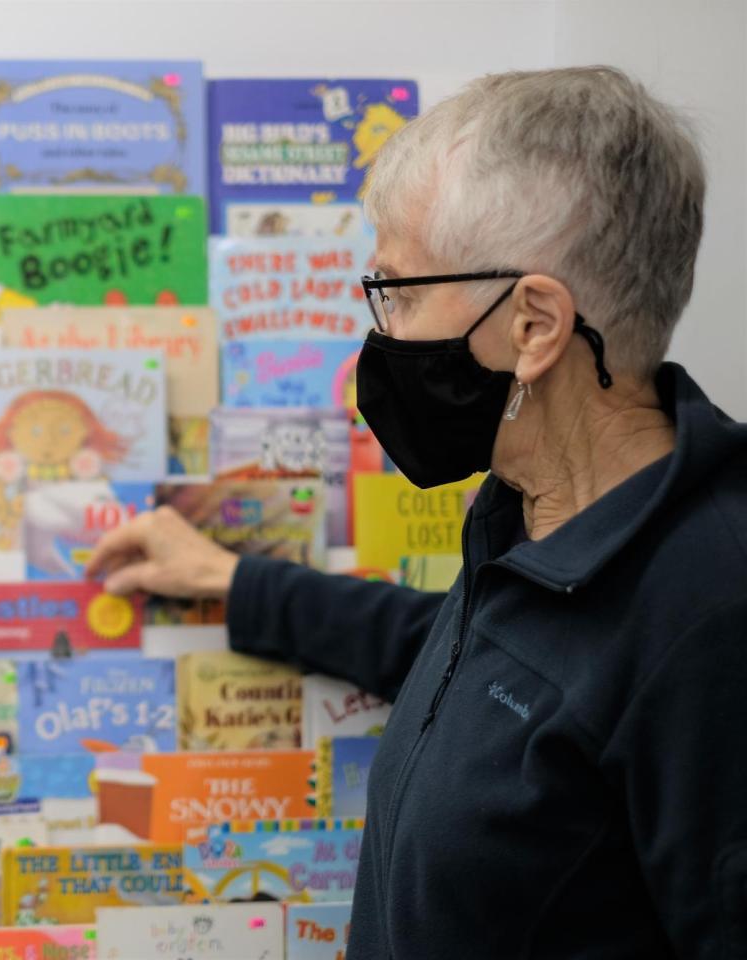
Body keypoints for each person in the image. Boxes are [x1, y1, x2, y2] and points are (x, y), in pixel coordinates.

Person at [88, 66, 747, 958]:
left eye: (398, 292)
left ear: (533, 326)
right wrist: (235, 582)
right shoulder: (538, 510)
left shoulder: (711, 612)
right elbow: (479, 671)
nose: (383, 331)